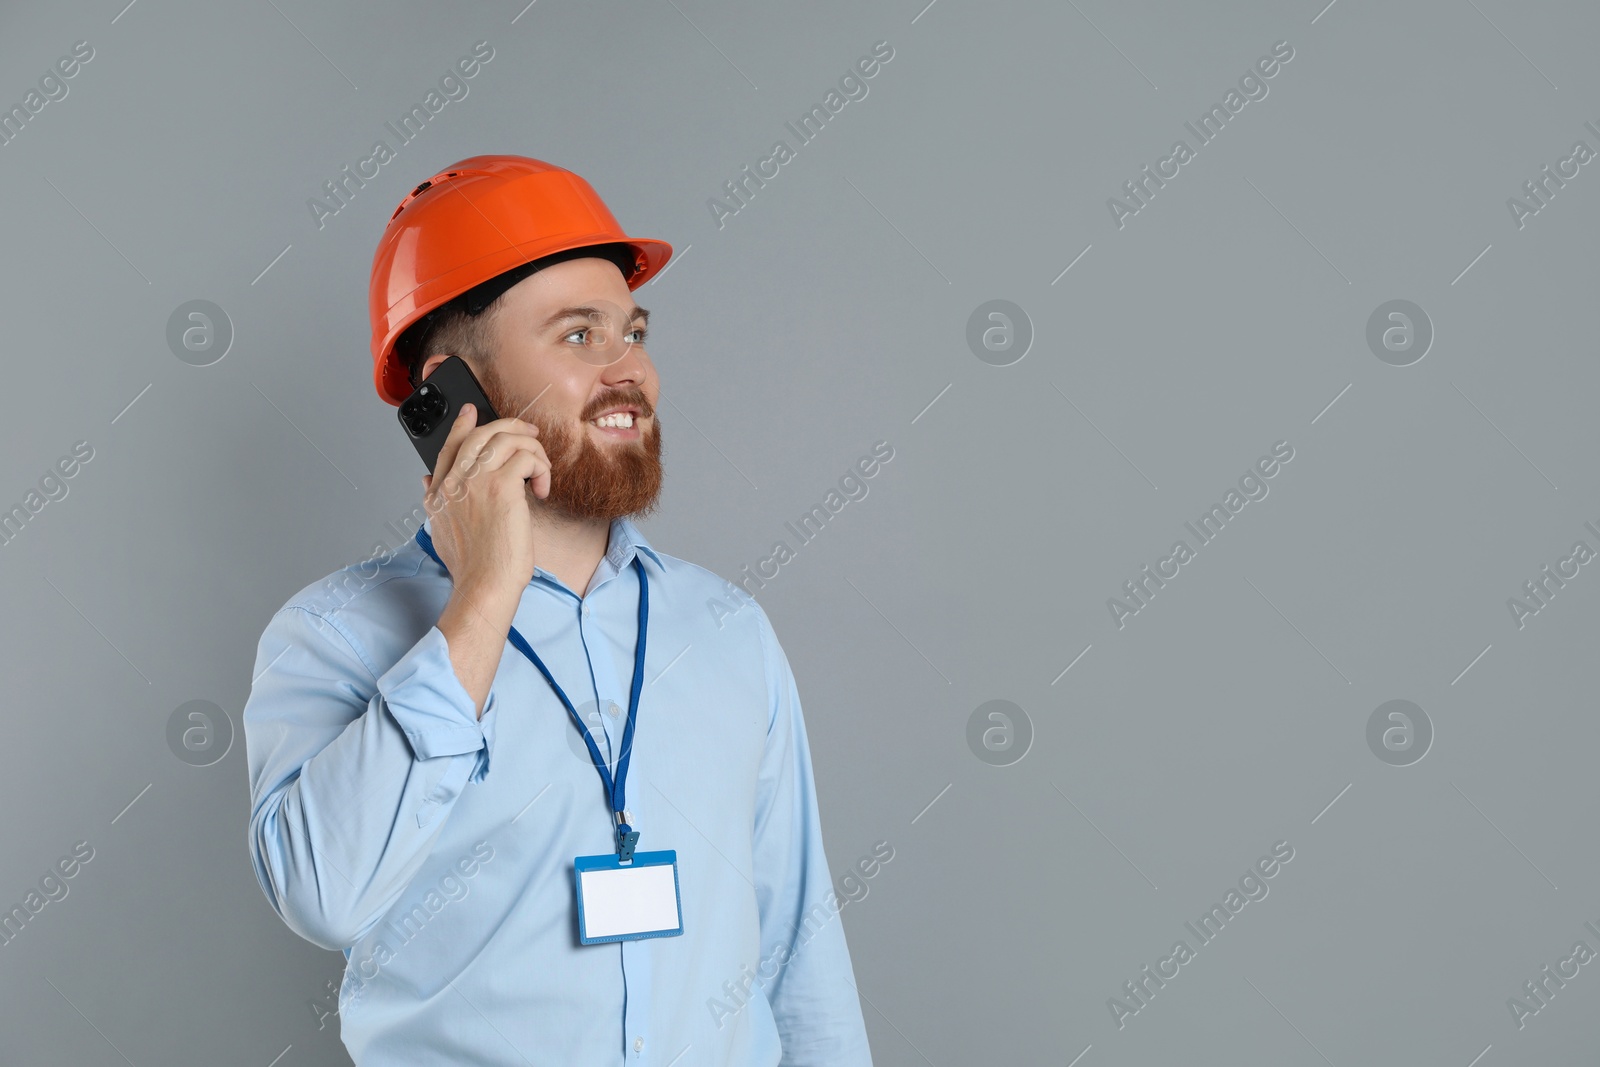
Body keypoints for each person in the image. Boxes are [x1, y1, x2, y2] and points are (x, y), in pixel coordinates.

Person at [243, 155, 874, 1065]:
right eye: (580, 337)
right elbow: (323, 893)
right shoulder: (335, 633)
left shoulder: (728, 630)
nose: (634, 373)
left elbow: (799, 952)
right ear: (453, 393)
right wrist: (484, 596)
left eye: (635, 331)